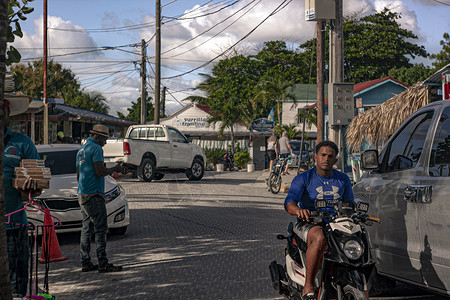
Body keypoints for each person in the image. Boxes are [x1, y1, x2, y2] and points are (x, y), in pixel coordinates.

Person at [284, 141, 354, 300]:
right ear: (316, 157)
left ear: (335, 161)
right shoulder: (304, 178)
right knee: (320, 237)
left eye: (330, 156)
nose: (326, 159)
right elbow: (289, 203)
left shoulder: (343, 179)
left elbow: (349, 203)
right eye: (323, 155)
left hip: (337, 223)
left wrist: (351, 212)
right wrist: (299, 211)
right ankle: (308, 284)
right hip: (309, 222)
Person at [4, 94, 42, 297]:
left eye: (2, 110)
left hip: (14, 226)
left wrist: (30, 189)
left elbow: (35, 189)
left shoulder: (22, 143)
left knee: (17, 285)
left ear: (8, 114)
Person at [76, 124, 125, 273]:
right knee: (100, 229)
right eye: (104, 138)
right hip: (94, 194)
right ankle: (103, 262)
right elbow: (100, 171)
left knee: (86, 229)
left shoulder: (81, 150)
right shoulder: (96, 149)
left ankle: (85, 262)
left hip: (82, 193)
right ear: (97, 136)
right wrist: (115, 169)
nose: (105, 142)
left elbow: (78, 175)